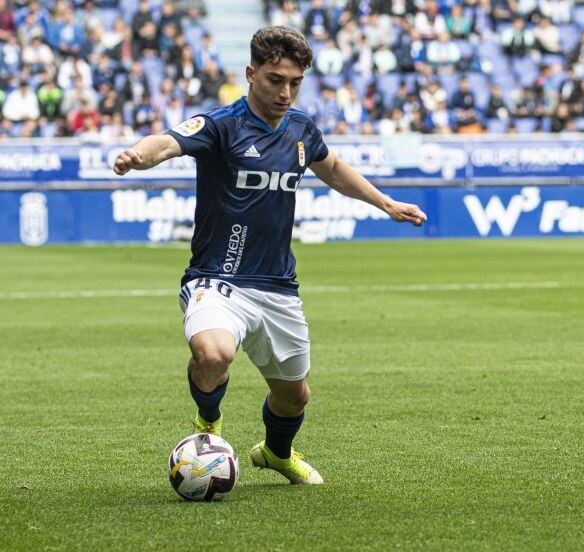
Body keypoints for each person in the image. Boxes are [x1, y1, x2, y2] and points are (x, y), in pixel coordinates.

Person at [113, 26, 426, 485]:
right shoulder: (222, 124)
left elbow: (333, 168)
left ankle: (277, 454)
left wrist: (385, 203)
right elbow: (168, 141)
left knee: (294, 396)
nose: (285, 92)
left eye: (295, 82)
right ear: (251, 73)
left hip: (277, 284)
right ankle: (208, 427)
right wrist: (137, 156)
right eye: (275, 79)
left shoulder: (301, 128)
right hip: (216, 277)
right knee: (214, 353)